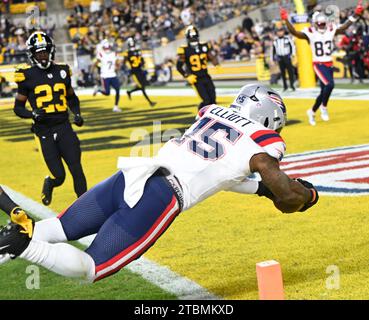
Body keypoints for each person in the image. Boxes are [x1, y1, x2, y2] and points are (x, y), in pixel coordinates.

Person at [0, 84, 319, 282]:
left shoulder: (212, 111)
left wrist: (262, 190)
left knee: (56, 228)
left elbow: (224, 172)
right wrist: (306, 194)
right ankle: (25, 247)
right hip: (162, 194)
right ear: (268, 114)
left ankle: (13, 242)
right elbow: (287, 198)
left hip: (134, 173)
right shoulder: (263, 141)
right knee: (91, 267)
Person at [13, 31, 87, 206]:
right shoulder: (26, 75)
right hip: (43, 130)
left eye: (45, 51)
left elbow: (71, 98)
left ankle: (86, 207)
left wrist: (76, 113)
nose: (43, 55)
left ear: (51, 51)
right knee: (59, 176)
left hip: (64, 127)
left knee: (76, 168)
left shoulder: (62, 71)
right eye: (39, 53)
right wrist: (32, 114)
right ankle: (50, 182)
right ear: (32, 54)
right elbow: (18, 108)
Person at [280, 2, 364, 126]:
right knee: (330, 85)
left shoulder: (331, 30)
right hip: (318, 63)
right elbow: (295, 33)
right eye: (319, 24)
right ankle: (324, 107)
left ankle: (312, 111)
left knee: (323, 91)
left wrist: (355, 15)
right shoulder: (310, 33)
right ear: (314, 23)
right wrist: (286, 20)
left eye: (323, 23)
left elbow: (345, 27)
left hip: (329, 63)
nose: (321, 26)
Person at [176, 25, 219, 111]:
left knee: (213, 101)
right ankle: (200, 115)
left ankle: (211, 117)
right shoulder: (184, 49)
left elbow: (211, 57)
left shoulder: (204, 45)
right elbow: (179, 66)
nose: (194, 39)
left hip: (206, 76)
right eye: (192, 37)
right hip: (196, 79)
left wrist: (217, 64)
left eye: (195, 37)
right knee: (206, 101)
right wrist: (187, 76)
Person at [123, 37, 156, 107]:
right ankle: (150, 102)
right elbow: (142, 61)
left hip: (138, 70)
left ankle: (129, 92)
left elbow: (126, 62)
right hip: (135, 71)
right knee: (142, 87)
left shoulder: (129, 52)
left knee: (142, 86)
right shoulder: (135, 51)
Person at [93, 39, 122, 112]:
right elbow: (96, 63)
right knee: (107, 93)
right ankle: (99, 90)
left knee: (118, 89)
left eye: (108, 47)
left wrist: (117, 66)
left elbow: (117, 63)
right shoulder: (101, 54)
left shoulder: (113, 54)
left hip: (113, 74)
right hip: (105, 76)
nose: (107, 49)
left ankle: (115, 106)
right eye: (106, 47)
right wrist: (97, 69)